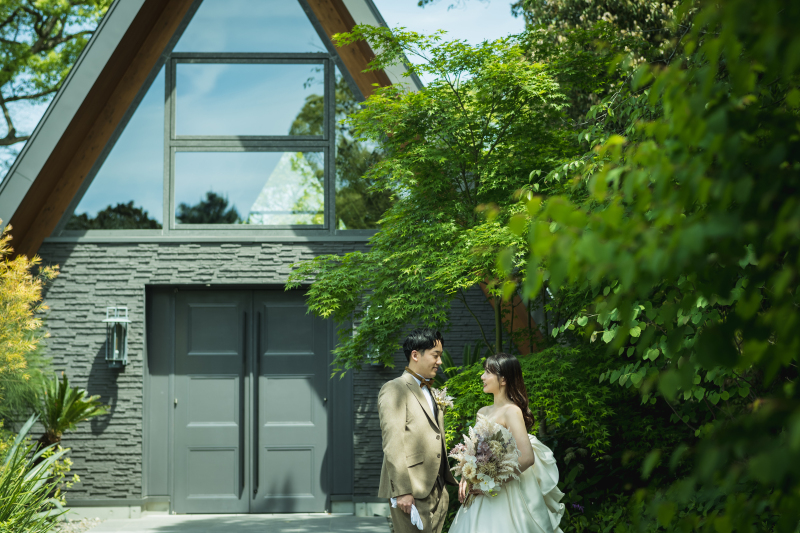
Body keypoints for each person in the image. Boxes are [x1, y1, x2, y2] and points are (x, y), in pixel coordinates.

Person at [449, 353, 565, 533]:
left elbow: (527, 458)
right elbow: (473, 451)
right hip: (479, 492)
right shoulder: (483, 411)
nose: (482, 376)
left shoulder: (512, 411)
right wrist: (467, 474)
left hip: (504, 492)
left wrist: (491, 482)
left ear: (503, 379)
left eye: (487, 372)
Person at [378, 328, 458, 533]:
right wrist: (403, 491)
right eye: (436, 355)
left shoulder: (430, 390)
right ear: (415, 355)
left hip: (437, 490)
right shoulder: (394, 388)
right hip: (411, 491)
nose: (440, 361)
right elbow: (392, 443)